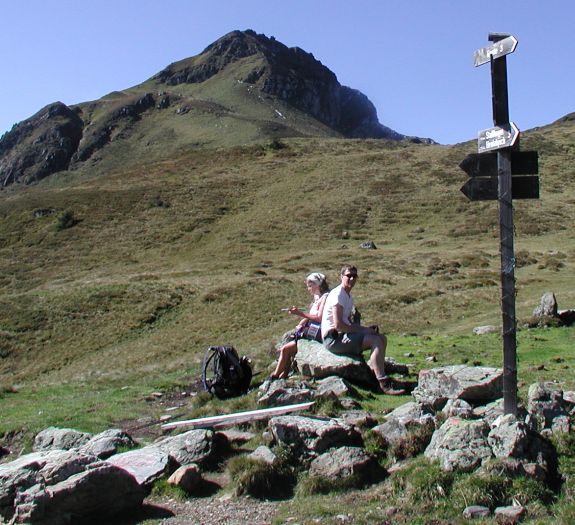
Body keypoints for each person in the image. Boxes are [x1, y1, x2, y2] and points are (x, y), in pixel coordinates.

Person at [321, 264, 405, 395]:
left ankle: (375, 372)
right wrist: (363, 331)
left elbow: (347, 322)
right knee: (375, 341)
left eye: (354, 276)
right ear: (341, 277)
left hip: (342, 335)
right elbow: (338, 325)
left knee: (382, 338)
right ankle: (383, 382)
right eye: (349, 276)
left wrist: (365, 329)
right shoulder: (338, 295)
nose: (352, 279)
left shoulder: (347, 296)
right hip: (333, 339)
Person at [270, 272, 330, 379]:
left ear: (317, 285)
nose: (308, 289)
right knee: (288, 347)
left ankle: (275, 375)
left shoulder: (325, 297)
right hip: (312, 329)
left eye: (310, 286)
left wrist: (299, 313)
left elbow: (319, 317)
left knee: (286, 348)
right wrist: (302, 322)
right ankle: (283, 374)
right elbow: (312, 315)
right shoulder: (317, 297)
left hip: (318, 332)